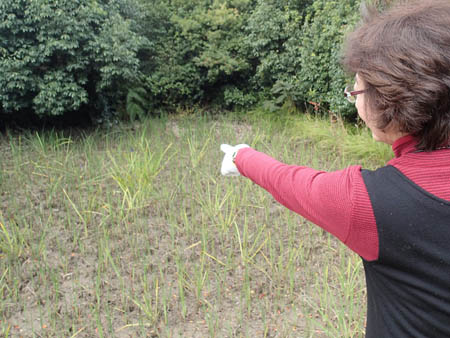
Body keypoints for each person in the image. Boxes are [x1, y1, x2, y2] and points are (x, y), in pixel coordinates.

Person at [220, 0, 450, 337]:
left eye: (356, 90)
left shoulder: (372, 202)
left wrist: (240, 156)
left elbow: (292, 183)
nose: (355, 100)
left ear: (390, 101)